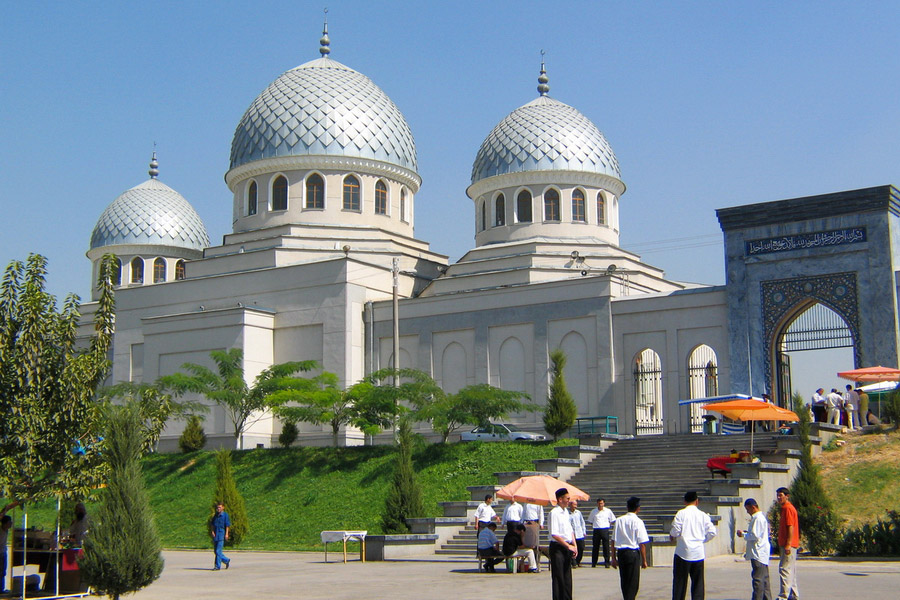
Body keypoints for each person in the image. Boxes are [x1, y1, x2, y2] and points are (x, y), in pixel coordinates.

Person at [670, 491, 717, 600]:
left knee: (680, 583)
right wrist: (703, 540)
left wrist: (672, 535)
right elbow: (712, 532)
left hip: (683, 551)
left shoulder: (681, 513)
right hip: (698, 553)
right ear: (697, 501)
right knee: (698, 583)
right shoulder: (703, 515)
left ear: (685, 501)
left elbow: (676, 530)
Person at [611, 496, 650, 600]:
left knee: (624, 580)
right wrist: (644, 560)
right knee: (633, 582)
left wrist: (613, 558)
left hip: (622, 553)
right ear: (638, 508)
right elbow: (642, 543)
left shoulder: (619, 520)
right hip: (633, 553)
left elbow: (613, 540)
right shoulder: (638, 522)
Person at [738, 498, 772, 600]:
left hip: (758, 553)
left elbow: (755, 535)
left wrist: (743, 534)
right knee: (764, 579)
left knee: (758, 580)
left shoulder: (758, 518)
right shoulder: (759, 518)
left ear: (753, 507)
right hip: (761, 553)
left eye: (748, 509)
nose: (747, 512)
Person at [548, 488, 577, 600]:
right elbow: (554, 534)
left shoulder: (566, 512)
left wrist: (574, 545)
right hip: (558, 547)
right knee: (558, 578)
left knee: (567, 578)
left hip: (567, 546)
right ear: (560, 499)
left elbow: (570, 530)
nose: (569, 501)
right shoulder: (554, 513)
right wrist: (567, 545)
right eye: (567, 498)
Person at [776, 487, 799, 600]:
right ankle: (794, 595)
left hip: (788, 544)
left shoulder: (788, 509)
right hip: (787, 544)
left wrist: (788, 544)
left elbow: (791, 527)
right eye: (778, 495)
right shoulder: (785, 508)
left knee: (784, 570)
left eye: (781, 495)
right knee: (791, 570)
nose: (779, 498)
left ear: (787, 496)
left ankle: (783, 596)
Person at [588, 497, 616, 568]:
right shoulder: (593, 511)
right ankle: (594, 562)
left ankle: (607, 562)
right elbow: (591, 521)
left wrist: (608, 525)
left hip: (605, 530)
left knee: (606, 547)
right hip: (596, 530)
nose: (600, 504)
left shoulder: (608, 511)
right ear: (597, 504)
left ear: (604, 503)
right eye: (599, 503)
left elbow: (612, 520)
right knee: (595, 547)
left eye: (602, 503)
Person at [1, 501, 20, 594]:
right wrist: (8, 507)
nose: (11, 524)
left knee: (3, 571)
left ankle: (1, 588)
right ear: (5, 523)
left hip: (3, 552)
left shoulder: (6, 530)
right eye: (9, 522)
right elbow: (2, 513)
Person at [522, 501, 545, 571]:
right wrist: (522, 521)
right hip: (526, 523)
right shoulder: (526, 503)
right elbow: (524, 512)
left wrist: (541, 523)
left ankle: (537, 563)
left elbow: (540, 513)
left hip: (534, 522)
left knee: (535, 544)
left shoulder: (538, 503)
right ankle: (531, 563)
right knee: (527, 544)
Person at [209, 502, 231, 571]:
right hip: (216, 535)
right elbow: (212, 524)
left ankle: (217, 566)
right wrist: (212, 531)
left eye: (220, 507)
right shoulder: (215, 516)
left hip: (221, 534)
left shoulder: (225, 515)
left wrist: (226, 534)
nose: (218, 509)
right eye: (217, 507)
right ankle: (226, 560)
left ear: (223, 507)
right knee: (216, 551)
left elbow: (227, 525)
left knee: (218, 551)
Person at [567, 499, 587, 567]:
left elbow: (582, 522)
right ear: (570, 505)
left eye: (576, 505)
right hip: (571, 534)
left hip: (579, 533)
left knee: (581, 547)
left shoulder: (578, 513)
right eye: (574, 504)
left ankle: (578, 561)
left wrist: (584, 531)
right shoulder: (566, 513)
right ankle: (573, 562)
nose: (575, 506)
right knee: (572, 549)